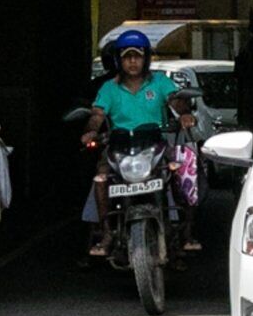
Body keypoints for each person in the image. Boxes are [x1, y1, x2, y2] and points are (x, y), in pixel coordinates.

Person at [79, 29, 186, 258]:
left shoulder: (160, 82)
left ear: (146, 58)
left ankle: (181, 230)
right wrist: (90, 131)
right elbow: (98, 114)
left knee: (179, 170)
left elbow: (175, 100)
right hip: (119, 147)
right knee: (100, 178)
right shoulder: (109, 88)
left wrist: (184, 115)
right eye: (127, 57)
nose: (133, 62)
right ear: (119, 60)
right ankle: (107, 232)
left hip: (154, 144)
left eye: (137, 56)